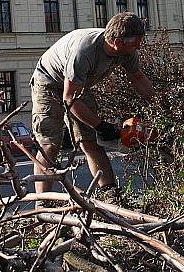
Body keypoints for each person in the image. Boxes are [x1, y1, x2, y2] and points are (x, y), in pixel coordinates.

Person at [31, 12, 154, 203]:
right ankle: (42, 204)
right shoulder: (85, 51)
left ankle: (111, 195)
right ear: (117, 42)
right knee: (50, 143)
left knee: (90, 142)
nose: (138, 47)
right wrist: (102, 126)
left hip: (78, 85)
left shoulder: (128, 51)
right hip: (48, 82)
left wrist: (159, 105)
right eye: (134, 43)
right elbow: (70, 98)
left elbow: (137, 77)